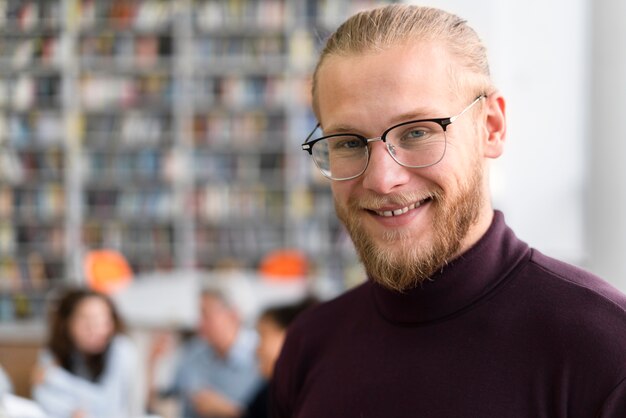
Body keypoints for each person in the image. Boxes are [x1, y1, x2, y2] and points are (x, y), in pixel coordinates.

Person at [272, 4, 626, 417]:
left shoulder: (605, 349)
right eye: (349, 142)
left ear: (491, 127)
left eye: (418, 132)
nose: (383, 180)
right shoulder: (309, 346)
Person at [32, 288, 140, 418]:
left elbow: (110, 407)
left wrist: (55, 379)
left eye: (103, 320)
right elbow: (43, 398)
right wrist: (70, 412)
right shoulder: (53, 352)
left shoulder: (121, 350)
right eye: (86, 320)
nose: (95, 329)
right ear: (66, 323)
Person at [153, 288, 261, 418]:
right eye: (199, 315)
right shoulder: (191, 353)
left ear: (233, 314)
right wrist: (153, 363)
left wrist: (230, 411)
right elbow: (159, 401)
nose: (199, 324)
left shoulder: (260, 355)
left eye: (206, 315)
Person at [242, 298, 316, 418]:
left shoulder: (316, 398)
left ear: (291, 337)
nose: (256, 350)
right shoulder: (268, 393)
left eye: (263, 335)